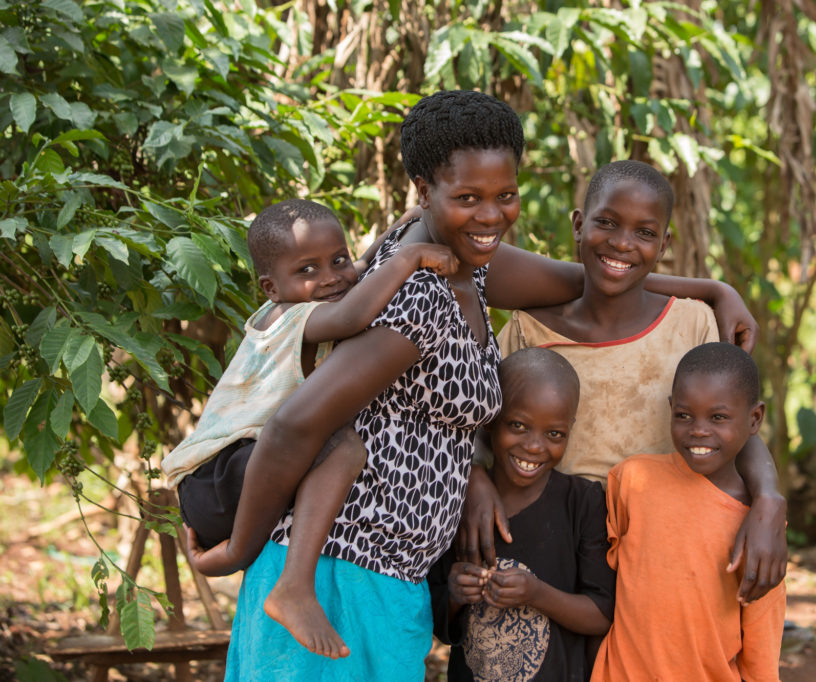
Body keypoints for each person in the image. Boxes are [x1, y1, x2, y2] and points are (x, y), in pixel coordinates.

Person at [205, 92, 763, 680]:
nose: (492, 216)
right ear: (424, 190)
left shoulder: (470, 263)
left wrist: (710, 289)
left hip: (391, 575)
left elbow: (594, 273)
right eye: (468, 198)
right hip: (336, 570)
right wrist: (241, 547)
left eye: (506, 196)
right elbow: (299, 422)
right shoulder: (417, 293)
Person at [471, 160, 787, 603]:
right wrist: (473, 477)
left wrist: (770, 498)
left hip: (665, 553)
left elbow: (733, 428)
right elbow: (479, 424)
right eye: (607, 223)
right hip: (551, 557)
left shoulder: (691, 323)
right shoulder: (529, 331)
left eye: (644, 232)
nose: (621, 243)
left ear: (664, 244)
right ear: (579, 225)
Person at [163, 198, 457, 658]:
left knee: (333, 442)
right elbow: (353, 315)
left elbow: (360, 269)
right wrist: (409, 257)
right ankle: (294, 587)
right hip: (218, 475)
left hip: (239, 468)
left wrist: (398, 230)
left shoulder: (313, 293)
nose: (331, 277)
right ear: (271, 287)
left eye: (336, 259)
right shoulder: (294, 315)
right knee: (343, 447)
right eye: (307, 269)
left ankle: (274, 574)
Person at [592, 341, 786, 681]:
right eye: (684, 415)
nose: (698, 429)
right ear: (670, 409)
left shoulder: (758, 526)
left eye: (718, 417)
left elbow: (761, 653)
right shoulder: (632, 480)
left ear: (754, 418)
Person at [429, 348, 615, 682]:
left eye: (554, 433)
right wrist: (456, 596)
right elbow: (436, 622)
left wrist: (537, 594)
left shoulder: (582, 503)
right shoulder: (459, 504)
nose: (533, 446)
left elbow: (602, 614)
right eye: (518, 425)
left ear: (570, 429)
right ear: (490, 423)